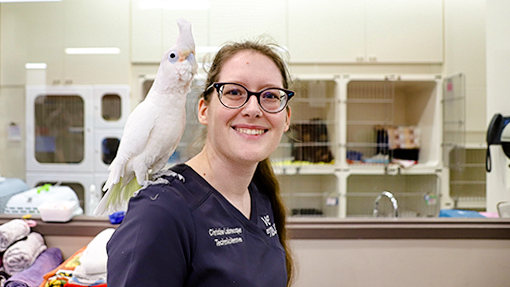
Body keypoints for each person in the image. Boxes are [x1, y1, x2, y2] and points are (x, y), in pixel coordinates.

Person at [106, 40, 295, 287]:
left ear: (286, 117)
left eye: (270, 95)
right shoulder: (159, 214)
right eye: (234, 92)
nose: (253, 109)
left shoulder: (260, 195)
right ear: (204, 110)